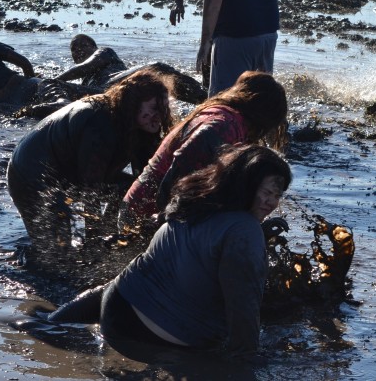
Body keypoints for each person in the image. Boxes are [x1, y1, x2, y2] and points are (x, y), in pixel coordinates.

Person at [51, 144, 292, 360]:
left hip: (116, 303)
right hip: (156, 335)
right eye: (267, 193)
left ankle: (51, 321)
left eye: (277, 196)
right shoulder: (245, 230)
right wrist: (248, 358)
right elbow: (243, 306)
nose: (272, 203)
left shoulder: (196, 201)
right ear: (246, 185)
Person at [6, 70, 172, 264]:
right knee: (56, 255)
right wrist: (95, 244)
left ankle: (113, 234)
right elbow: (90, 191)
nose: (159, 116)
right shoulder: (100, 122)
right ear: (134, 103)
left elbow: (145, 182)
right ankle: (26, 260)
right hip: (30, 175)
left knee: (129, 189)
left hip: (70, 172)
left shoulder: (139, 125)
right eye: (154, 108)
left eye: (164, 108)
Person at [120, 70, 287, 227]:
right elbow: (180, 166)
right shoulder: (223, 127)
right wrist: (165, 218)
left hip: (144, 208)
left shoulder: (223, 117)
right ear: (263, 117)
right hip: (143, 214)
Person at [26, 34, 206, 118]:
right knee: (49, 83)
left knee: (156, 68)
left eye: (83, 45)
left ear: (94, 47)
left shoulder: (106, 53)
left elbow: (83, 68)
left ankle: (205, 98)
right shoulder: (85, 82)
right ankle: (61, 107)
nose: (77, 50)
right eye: (73, 49)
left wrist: (59, 78)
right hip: (99, 94)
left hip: (118, 83)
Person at [0, 39, 40, 110]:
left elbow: (24, 63)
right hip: (22, 86)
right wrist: (31, 80)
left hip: (2, 104)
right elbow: (24, 63)